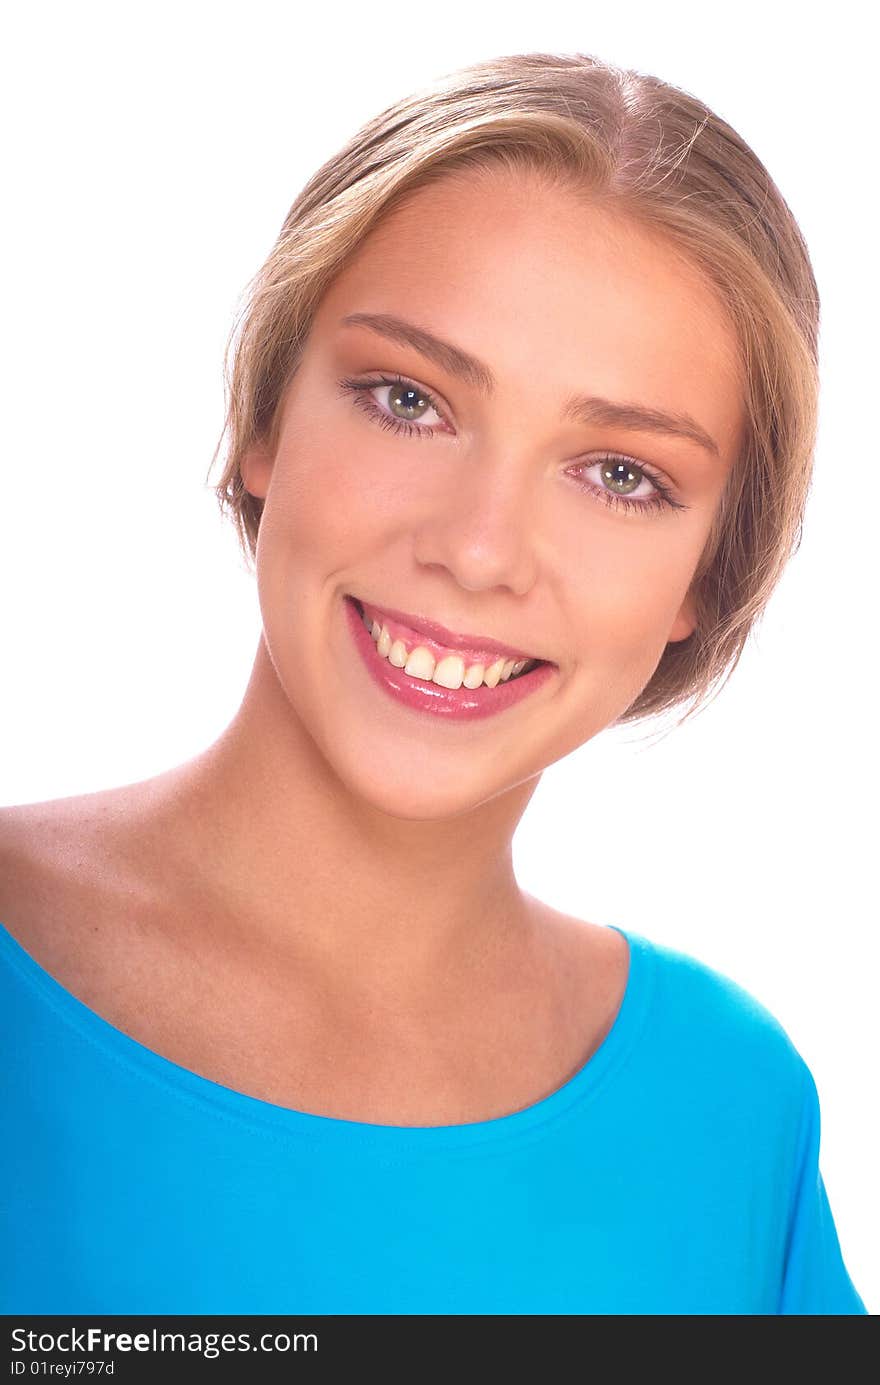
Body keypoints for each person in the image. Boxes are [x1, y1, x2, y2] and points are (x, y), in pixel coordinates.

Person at [0, 50, 868, 1315]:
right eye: (407, 399)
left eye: (620, 473)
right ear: (265, 420)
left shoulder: (729, 1106)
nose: (474, 549)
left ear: (702, 576)